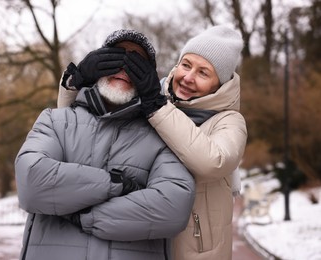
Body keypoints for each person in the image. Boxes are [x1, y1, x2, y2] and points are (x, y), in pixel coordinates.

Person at [58, 25, 247, 260]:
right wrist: (76, 82)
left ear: (219, 84)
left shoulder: (229, 121)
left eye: (203, 73)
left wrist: (156, 106)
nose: (188, 78)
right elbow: (75, 132)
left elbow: (213, 162)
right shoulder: (149, 99)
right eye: (186, 65)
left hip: (193, 252)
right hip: (143, 245)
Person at [15, 29, 195, 260]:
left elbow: (173, 208)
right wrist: (118, 185)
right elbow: (33, 182)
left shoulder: (164, 138)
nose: (124, 68)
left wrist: (82, 214)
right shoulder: (54, 120)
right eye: (116, 56)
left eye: (137, 62)